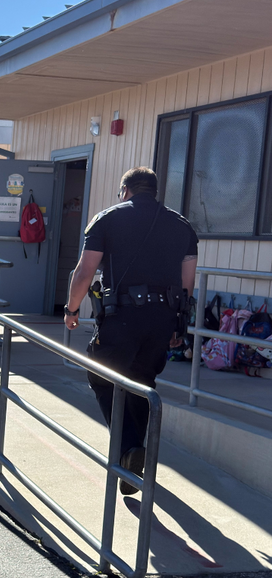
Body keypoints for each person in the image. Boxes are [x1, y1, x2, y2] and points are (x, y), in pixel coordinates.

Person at [64, 166, 198, 494]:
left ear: (125, 190)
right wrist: (179, 323)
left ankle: (127, 449)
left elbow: (84, 272)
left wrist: (71, 310)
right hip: (164, 317)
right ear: (153, 191)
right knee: (142, 382)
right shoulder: (183, 226)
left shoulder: (107, 219)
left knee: (101, 375)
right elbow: (187, 284)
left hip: (123, 316)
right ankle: (133, 462)